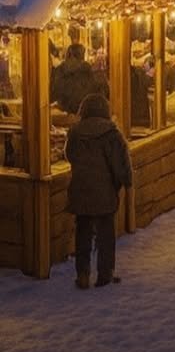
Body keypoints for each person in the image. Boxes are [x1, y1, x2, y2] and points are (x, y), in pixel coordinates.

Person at [64, 92, 132, 289]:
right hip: (105, 191)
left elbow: (69, 155)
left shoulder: (75, 132)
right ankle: (105, 274)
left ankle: (83, 274)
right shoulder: (112, 134)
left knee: (83, 231)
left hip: (81, 189)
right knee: (105, 234)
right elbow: (121, 164)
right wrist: (126, 182)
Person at [52, 41, 108, 115]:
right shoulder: (91, 72)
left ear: (69, 55)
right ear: (82, 56)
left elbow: (53, 93)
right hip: (86, 113)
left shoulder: (60, 71)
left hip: (64, 114)